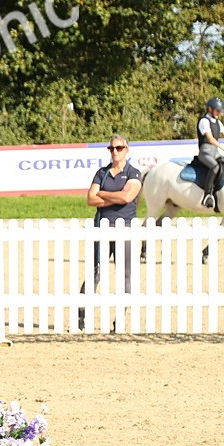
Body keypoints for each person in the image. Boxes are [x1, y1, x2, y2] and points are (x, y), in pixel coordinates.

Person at [78, 135, 142, 331]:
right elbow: (90, 199)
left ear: (126, 149)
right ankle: (81, 317)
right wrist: (116, 196)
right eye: (112, 148)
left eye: (119, 148)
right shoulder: (102, 173)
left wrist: (103, 194)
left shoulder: (134, 173)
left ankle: (120, 320)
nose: (115, 151)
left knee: (126, 275)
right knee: (95, 272)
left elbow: (128, 196)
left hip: (125, 229)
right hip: (102, 227)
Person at [196, 97, 224, 208]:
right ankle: (207, 195)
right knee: (215, 167)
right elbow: (210, 139)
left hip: (215, 152)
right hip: (205, 152)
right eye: (217, 110)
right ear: (210, 109)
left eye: (220, 111)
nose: (219, 113)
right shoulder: (204, 121)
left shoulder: (218, 123)